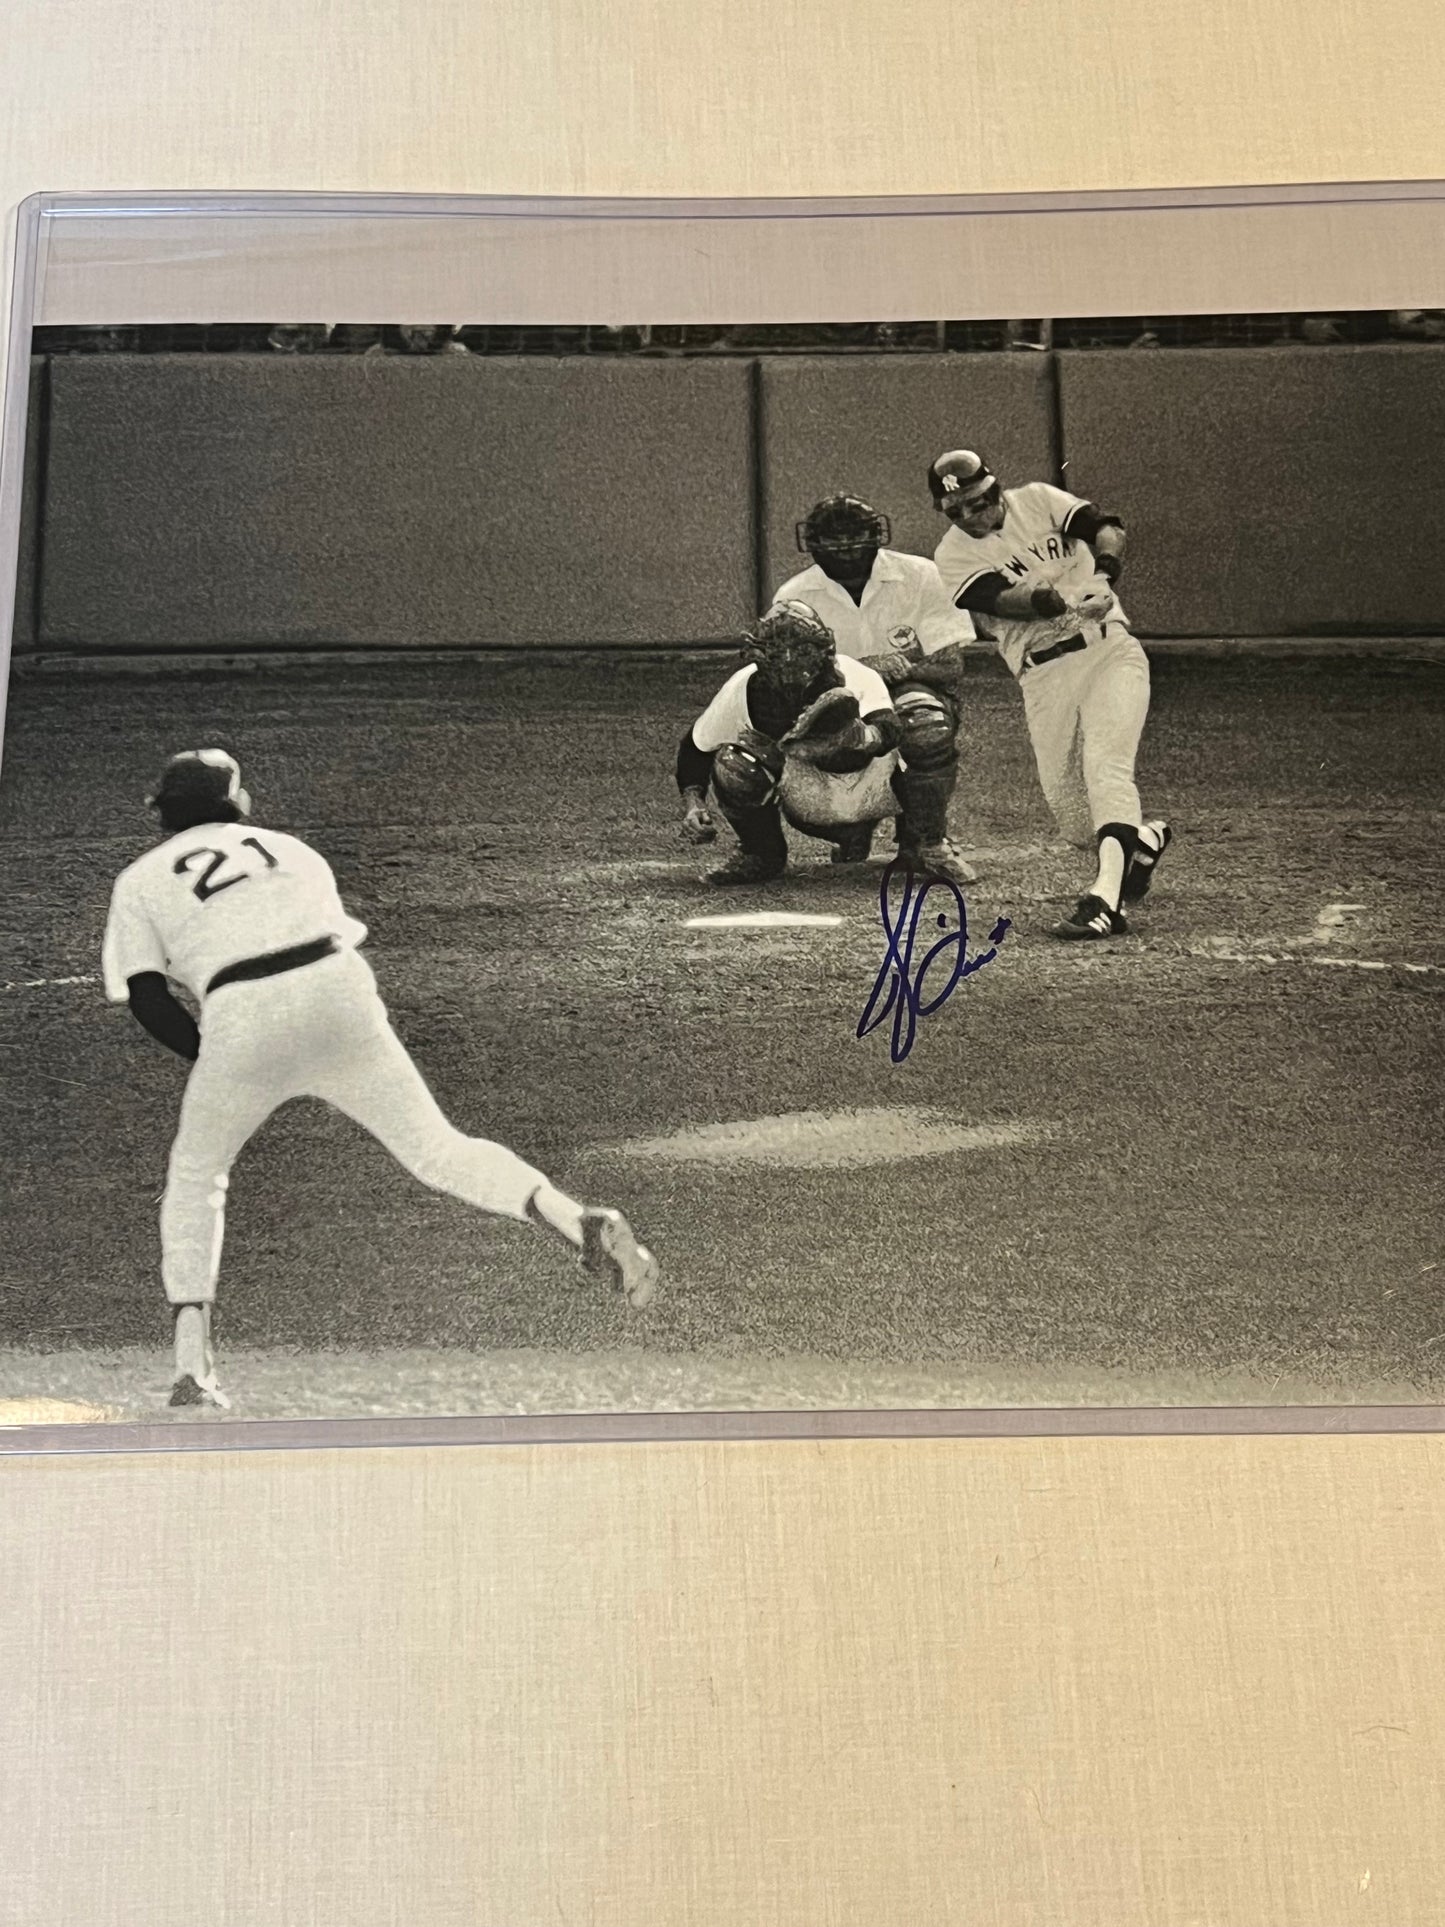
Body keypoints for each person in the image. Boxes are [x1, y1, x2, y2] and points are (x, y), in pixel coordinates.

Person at [101, 750, 660, 1412]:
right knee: (435, 1147)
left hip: (242, 1011)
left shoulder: (138, 879)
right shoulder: (290, 850)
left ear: (163, 812)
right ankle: (576, 1217)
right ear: (236, 804)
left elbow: (147, 996)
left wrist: (215, 1057)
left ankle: (193, 1366)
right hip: (340, 990)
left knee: (197, 1176)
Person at [928, 449, 1171, 939]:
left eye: (977, 503)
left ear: (996, 489)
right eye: (956, 511)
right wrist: (1061, 598)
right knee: (1078, 823)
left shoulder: (1038, 499)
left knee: (1107, 768)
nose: (970, 517)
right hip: (1043, 674)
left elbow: (1108, 529)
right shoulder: (952, 554)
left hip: (1110, 651)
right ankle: (1142, 842)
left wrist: (1103, 576)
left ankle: (1105, 900)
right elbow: (1010, 602)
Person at [769, 492, 980, 886]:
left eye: (853, 537)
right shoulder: (792, 597)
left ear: (876, 535)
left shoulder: (922, 575)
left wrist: (897, 672)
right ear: (811, 543)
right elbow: (787, 687)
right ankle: (848, 827)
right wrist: (862, 670)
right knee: (817, 732)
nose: (846, 549)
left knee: (926, 723)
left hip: (909, 692)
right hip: (835, 704)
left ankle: (926, 841)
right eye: (834, 539)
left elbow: (950, 666)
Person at [676, 601, 902, 885]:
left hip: (876, 786)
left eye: (802, 650)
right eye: (778, 651)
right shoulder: (744, 687)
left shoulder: (854, 674)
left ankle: (923, 840)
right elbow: (696, 747)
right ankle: (761, 853)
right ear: (758, 654)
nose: (789, 660)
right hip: (807, 798)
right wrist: (693, 804)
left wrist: (862, 738)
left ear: (824, 651)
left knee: (925, 725)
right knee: (736, 764)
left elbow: (891, 729)